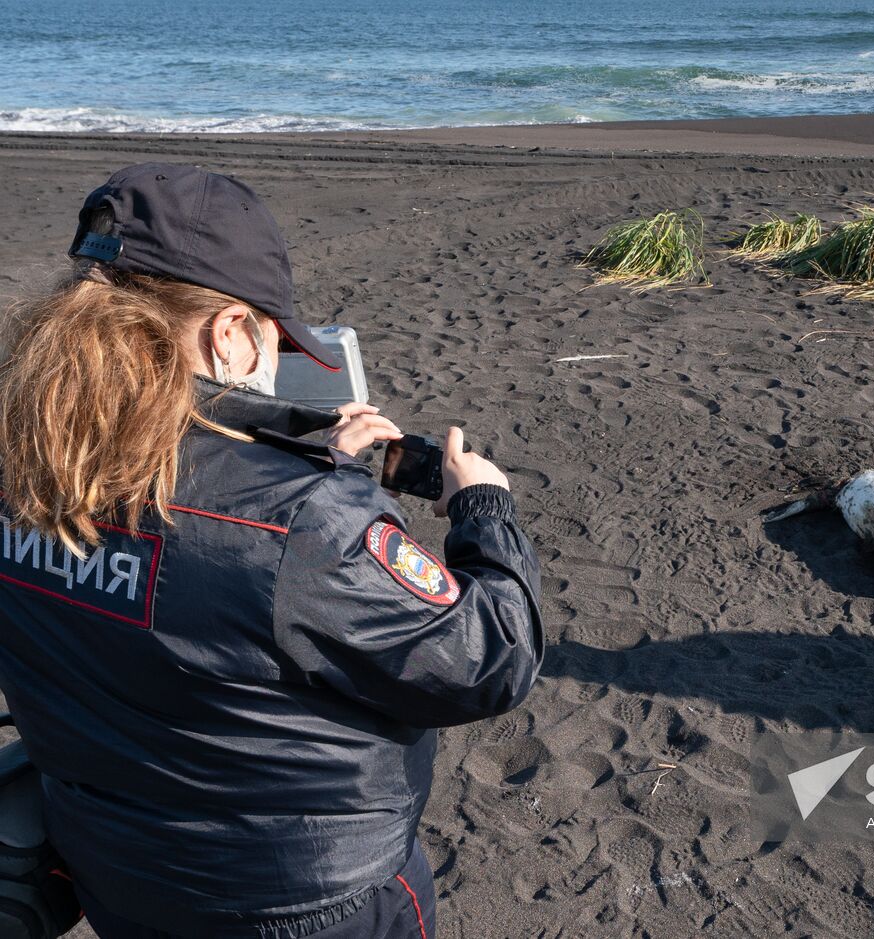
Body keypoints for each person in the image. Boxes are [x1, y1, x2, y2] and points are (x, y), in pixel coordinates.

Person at [0, 163, 544, 938]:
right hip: (305, 903)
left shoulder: (23, 456)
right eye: (273, 339)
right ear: (229, 331)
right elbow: (490, 659)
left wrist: (313, 472)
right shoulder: (304, 521)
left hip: (121, 876)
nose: (270, 360)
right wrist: (483, 507)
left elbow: (172, 555)